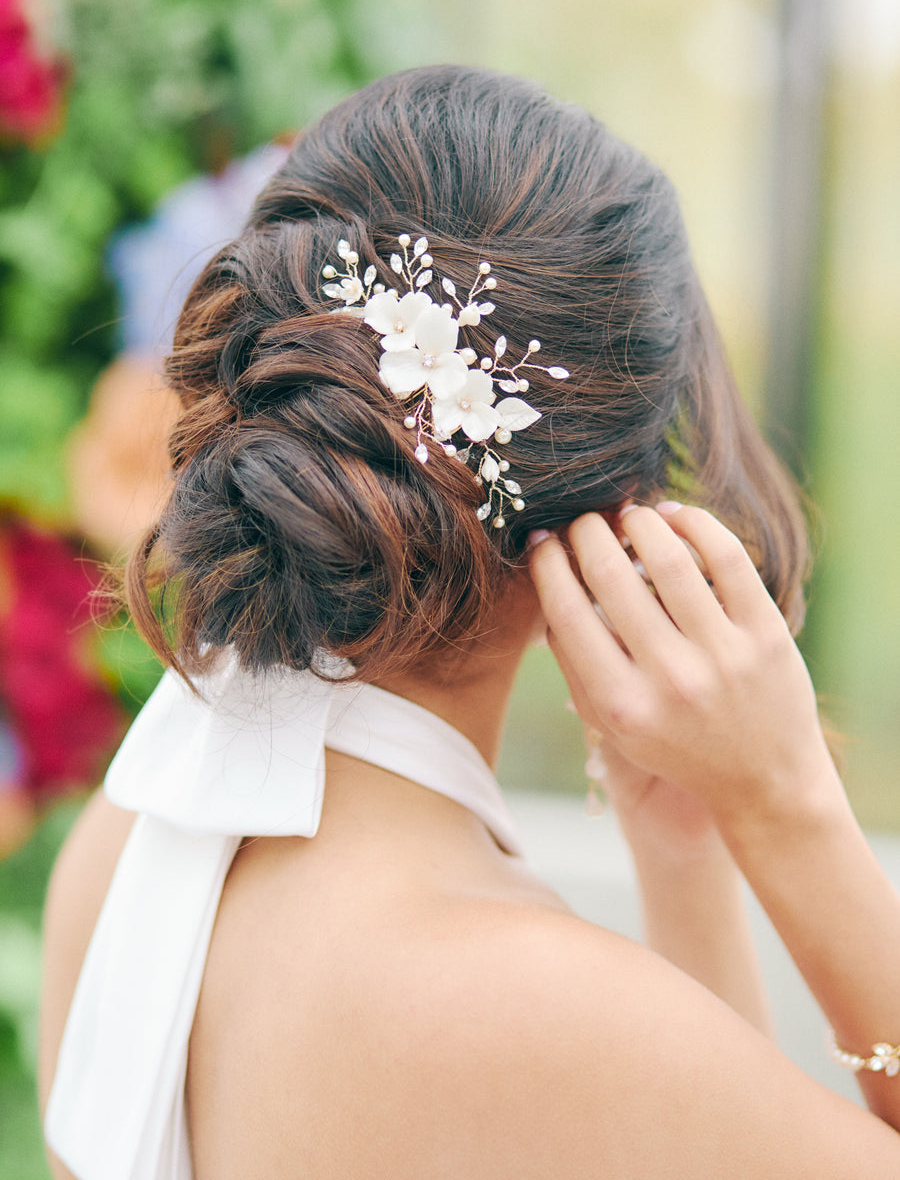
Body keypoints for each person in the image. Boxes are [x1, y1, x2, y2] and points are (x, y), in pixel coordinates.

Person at [37, 66, 900, 1178]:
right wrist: (787, 808)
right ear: (617, 507)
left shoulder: (126, 847)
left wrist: (681, 855)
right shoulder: (537, 1004)